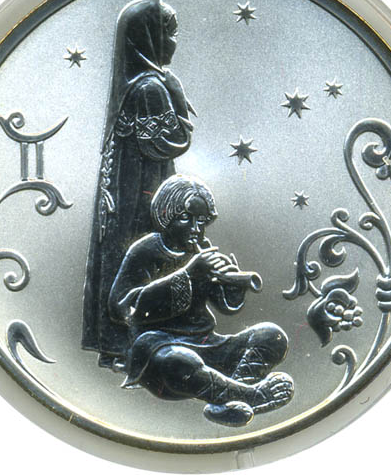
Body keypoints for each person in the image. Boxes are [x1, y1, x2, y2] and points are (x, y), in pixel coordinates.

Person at [109, 175, 293, 427]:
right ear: (165, 216)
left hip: (207, 343)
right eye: (186, 218)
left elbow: (224, 305)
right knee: (179, 362)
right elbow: (123, 308)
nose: (195, 228)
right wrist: (188, 274)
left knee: (272, 335)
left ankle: (226, 402)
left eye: (201, 220)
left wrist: (233, 286)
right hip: (160, 348)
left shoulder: (201, 249)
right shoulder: (145, 250)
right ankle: (253, 396)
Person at [82, 0, 196, 365]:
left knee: (124, 258)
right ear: (149, 38)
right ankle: (132, 346)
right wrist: (177, 97)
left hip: (132, 188)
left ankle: (117, 346)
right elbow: (168, 142)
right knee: (142, 258)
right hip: (141, 195)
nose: (175, 43)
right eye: (171, 33)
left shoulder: (137, 85)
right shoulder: (150, 88)